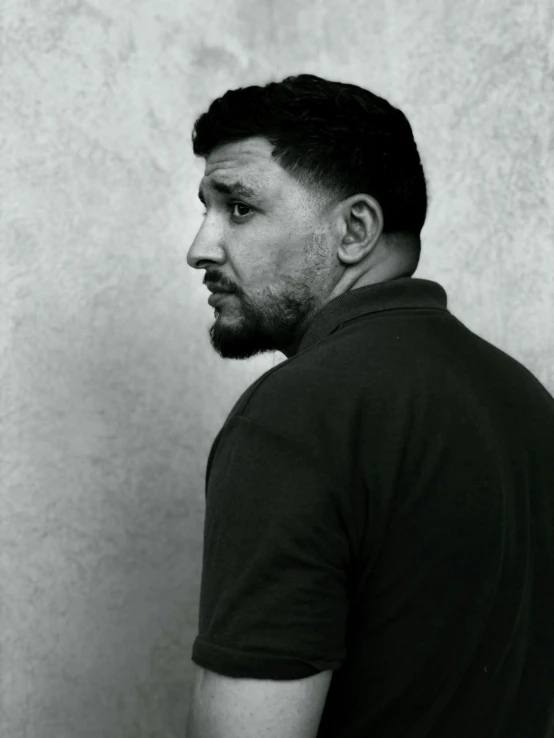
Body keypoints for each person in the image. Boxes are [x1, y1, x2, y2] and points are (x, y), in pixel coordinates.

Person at [185, 73, 554, 738]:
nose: (199, 249)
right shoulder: (525, 399)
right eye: (205, 210)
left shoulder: (296, 416)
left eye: (239, 208)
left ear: (354, 229)